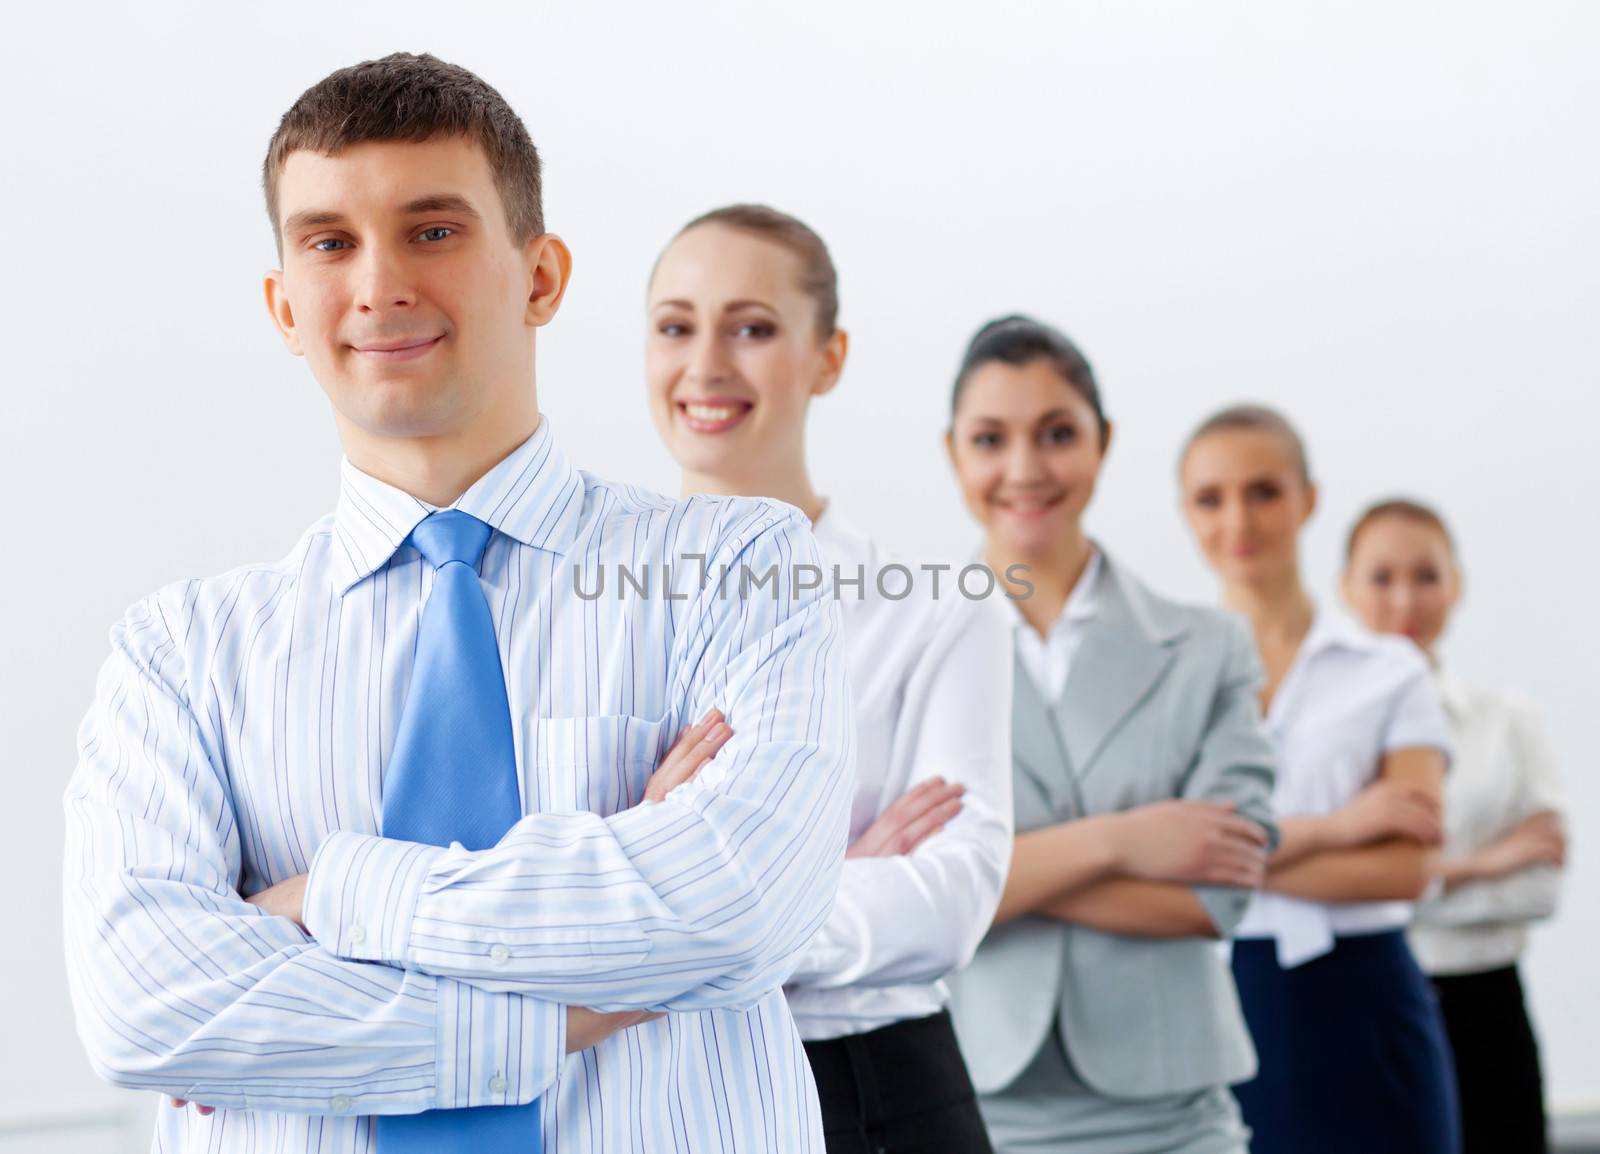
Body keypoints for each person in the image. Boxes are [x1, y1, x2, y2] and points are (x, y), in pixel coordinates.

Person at [62, 53, 855, 1154]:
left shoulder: (736, 566)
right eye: (330, 242)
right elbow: (146, 1002)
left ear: (540, 277)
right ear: (284, 305)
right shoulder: (181, 653)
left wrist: (329, 893)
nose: (379, 283)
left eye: (432, 230)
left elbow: (743, 904)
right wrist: (585, 977)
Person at [644, 203, 1014, 1154]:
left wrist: (686, 906)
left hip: (876, 1094)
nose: (707, 365)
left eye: (753, 328)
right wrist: (822, 883)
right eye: (677, 326)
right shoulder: (578, 604)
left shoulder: (936, 609)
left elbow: (952, 899)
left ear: (829, 357)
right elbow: (548, 887)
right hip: (648, 1091)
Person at [941, 316, 1278, 1154]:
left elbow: (1218, 894)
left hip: (1175, 1116)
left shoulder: (1207, 647)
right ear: (954, 453)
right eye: (991, 439)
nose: (1024, 469)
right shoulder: (907, 646)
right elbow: (893, 889)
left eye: (1057, 434)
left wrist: (989, 874)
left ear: (1104, 443)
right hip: (969, 1104)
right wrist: (1130, 840)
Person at [1178, 405, 1460, 1154]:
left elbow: (1407, 866)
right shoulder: (1166, 679)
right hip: (1218, 1000)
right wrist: (1340, 829)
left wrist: (1229, 857)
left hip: (1367, 1001)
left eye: (1264, 491)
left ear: (1309, 499)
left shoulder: (1389, 670)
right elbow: (1172, 866)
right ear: (1185, 512)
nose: (1238, 518)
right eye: (1211, 497)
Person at [1343, 497, 1566, 1154]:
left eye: (1427, 575)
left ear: (1456, 585)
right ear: (1347, 589)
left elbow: (1541, 889)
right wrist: (1483, 863)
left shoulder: (1508, 719)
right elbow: (1306, 888)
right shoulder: (1325, 735)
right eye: (1382, 577)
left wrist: (1395, 878)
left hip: (1489, 1009)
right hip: (1370, 1001)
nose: (1405, 598)